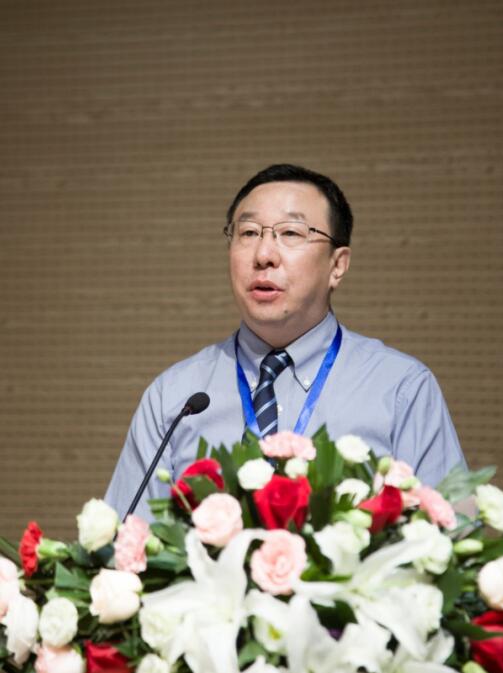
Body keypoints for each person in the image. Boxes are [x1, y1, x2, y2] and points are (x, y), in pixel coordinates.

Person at [105, 164, 466, 520]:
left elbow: (452, 533)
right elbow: (126, 541)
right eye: (248, 232)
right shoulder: (175, 397)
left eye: (291, 233)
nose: (263, 255)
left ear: (337, 265)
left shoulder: (401, 388)